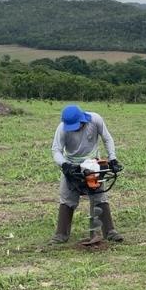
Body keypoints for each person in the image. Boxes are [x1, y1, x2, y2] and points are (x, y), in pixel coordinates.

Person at [49, 104, 124, 244]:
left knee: (99, 197)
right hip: (72, 165)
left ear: (83, 120)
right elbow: (56, 150)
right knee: (67, 199)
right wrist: (64, 165)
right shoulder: (62, 128)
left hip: (92, 164)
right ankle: (61, 235)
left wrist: (112, 158)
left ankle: (109, 232)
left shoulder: (95, 120)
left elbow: (107, 138)